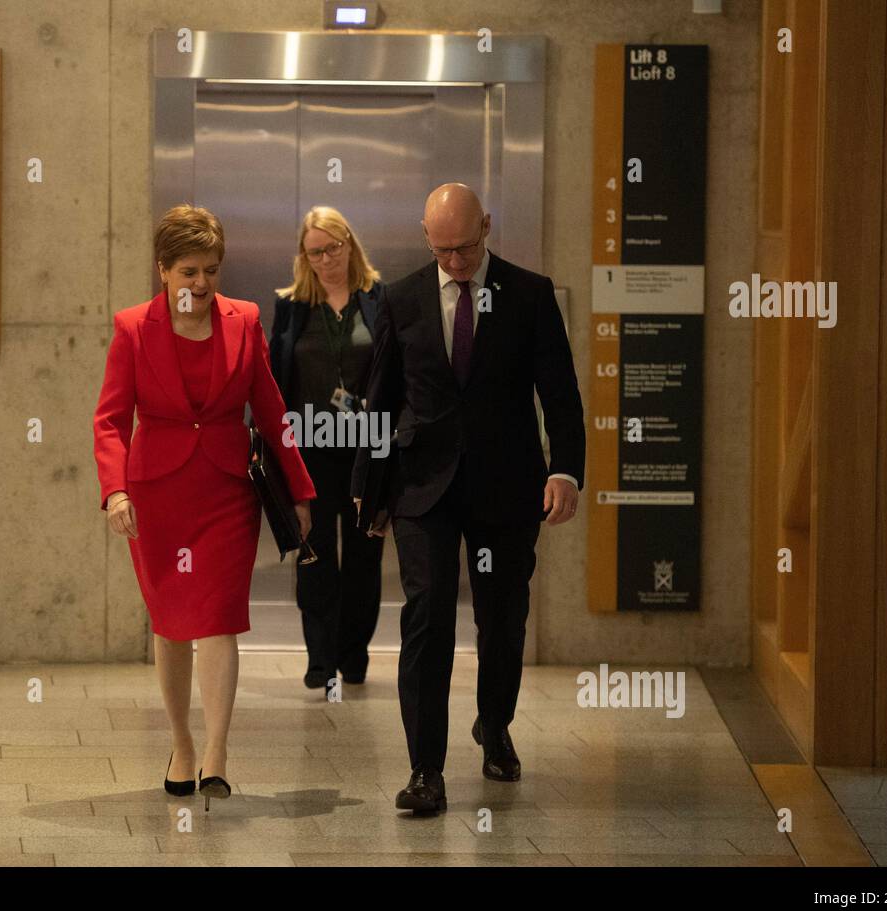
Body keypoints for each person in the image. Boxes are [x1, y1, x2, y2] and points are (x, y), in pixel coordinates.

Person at [352, 183, 585, 814]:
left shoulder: (530, 295)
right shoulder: (400, 299)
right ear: (426, 237)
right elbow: (382, 401)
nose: (456, 262)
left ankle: (494, 724)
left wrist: (565, 472)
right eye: (443, 250)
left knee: (502, 617)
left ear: (487, 225)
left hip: (507, 486)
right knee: (427, 615)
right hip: (423, 489)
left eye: (467, 247)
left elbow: (559, 393)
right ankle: (426, 769)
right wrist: (369, 495)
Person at [93, 204, 316, 809]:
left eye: (211, 271)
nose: (201, 284)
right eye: (188, 270)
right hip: (156, 496)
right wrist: (114, 490)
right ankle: (182, 744)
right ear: (162, 269)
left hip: (226, 491)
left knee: (217, 618)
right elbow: (110, 419)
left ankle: (216, 752)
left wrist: (300, 490)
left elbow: (272, 413)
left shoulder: (244, 321)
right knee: (171, 628)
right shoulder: (133, 328)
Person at [268, 207, 387, 692]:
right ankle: (320, 659)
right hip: (310, 447)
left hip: (365, 448)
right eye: (314, 252)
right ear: (304, 256)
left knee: (364, 556)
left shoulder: (379, 300)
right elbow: (278, 376)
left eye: (333, 248)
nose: (325, 259)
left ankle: (353, 655)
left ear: (349, 245)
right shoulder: (292, 305)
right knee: (315, 553)